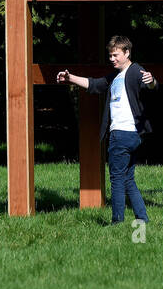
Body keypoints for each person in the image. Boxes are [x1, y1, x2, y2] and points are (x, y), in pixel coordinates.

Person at [57, 35, 157, 225]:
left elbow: (150, 85)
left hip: (122, 133)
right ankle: (142, 219)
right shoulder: (115, 77)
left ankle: (117, 222)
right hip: (130, 136)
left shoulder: (135, 70)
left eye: (115, 55)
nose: (112, 59)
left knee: (117, 179)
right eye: (110, 55)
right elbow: (94, 85)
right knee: (128, 179)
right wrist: (70, 78)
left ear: (127, 53)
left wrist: (151, 80)